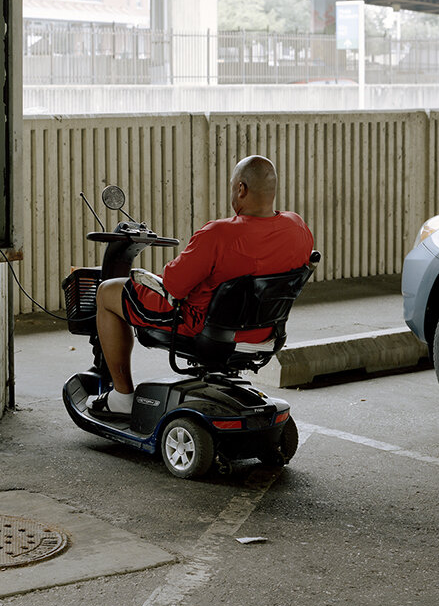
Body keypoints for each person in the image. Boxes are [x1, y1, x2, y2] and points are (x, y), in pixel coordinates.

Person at [89, 154, 314, 422]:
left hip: (201, 326)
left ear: (240, 189)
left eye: (233, 186)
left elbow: (173, 286)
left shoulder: (218, 234)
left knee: (108, 291)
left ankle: (122, 398)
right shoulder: (297, 227)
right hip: (265, 331)